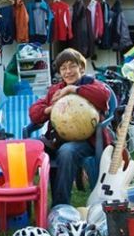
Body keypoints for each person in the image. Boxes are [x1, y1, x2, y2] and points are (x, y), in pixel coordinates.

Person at [28, 48, 111, 206]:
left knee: (67, 152)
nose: (68, 71)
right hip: (57, 140)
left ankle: (60, 205)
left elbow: (103, 96)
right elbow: (34, 113)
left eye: (72, 66)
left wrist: (73, 89)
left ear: (81, 67)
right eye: (63, 68)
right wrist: (50, 109)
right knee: (29, 149)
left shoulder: (91, 84)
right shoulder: (55, 91)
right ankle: (26, 206)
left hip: (87, 141)